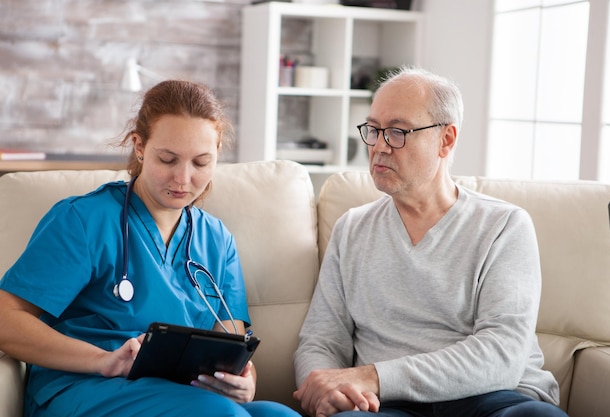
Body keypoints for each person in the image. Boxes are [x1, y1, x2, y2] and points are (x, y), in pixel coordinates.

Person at [0, 80, 300, 417]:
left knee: (278, 414)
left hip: (183, 396)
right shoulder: (84, 220)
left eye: (200, 163)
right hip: (84, 387)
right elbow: (6, 320)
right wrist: (104, 361)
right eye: (168, 159)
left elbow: (232, 348)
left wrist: (245, 381)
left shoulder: (217, 240)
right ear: (139, 146)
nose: (183, 179)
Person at [293, 67, 568, 417]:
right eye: (373, 129)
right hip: (386, 406)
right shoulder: (352, 229)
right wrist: (328, 390)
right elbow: (321, 340)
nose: (378, 146)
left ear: (447, 139)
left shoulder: (504, 226)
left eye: (396, 131)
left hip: (493, 398)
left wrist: (374, 376)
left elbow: (502, 354)